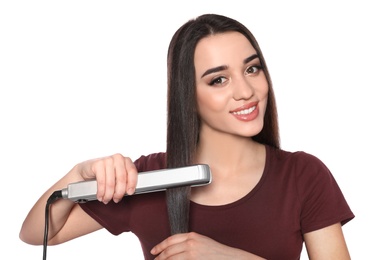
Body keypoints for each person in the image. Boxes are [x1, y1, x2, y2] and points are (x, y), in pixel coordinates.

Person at [19, 14, 354, 259]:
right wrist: (78, 175)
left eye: (252, 69)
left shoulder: (302, 176)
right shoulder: (148, 179)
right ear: (188, 95)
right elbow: (38, 233)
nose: (246, 91)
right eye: (218, 80)